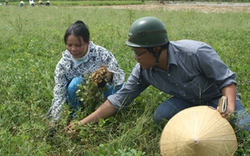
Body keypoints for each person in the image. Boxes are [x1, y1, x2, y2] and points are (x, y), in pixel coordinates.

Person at [67, 16, 250, 133]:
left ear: (156, 49)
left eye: (138, 53)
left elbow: (226, 80)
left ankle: (215, 117)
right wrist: (82, 123)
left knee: (244, 128)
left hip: (216, 98)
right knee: (161, 116)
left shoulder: (196, 52)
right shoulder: (143, 71)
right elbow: (118, 100)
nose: (135, 58)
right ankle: (202, 119)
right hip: (188, 102)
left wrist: (230, 108)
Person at [46, 20, 125, 129]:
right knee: (75, 84)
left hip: (103, 95)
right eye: (69, 45)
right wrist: (55, 120)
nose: (73, 49)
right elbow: (59, 93)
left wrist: (108, 75)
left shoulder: (101, 53)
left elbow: (119, 75)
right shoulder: (63, 65)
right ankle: (78, 116)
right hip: (79, 101)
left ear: (88, 42)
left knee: (122, 89)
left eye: (78, 45)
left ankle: (105, 112)